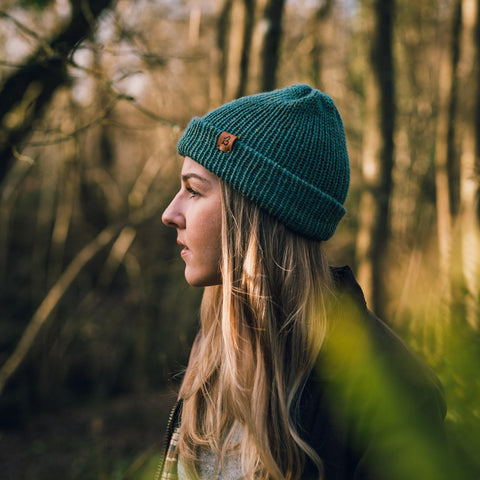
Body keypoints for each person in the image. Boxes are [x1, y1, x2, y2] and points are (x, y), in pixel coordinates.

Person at [159, 84, 448, 480]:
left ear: (256, 213)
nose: (170, 212)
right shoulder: (213, 347)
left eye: (193, 190)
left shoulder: (394, 394)